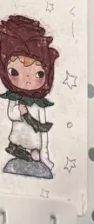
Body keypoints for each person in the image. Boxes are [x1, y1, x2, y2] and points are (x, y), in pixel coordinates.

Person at [0, 14, 59, 179]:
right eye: (15, 72)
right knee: (19, 143)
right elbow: (11, 114)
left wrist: (44, 152)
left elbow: (42, 125)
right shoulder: (16, 98)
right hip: (19, 134)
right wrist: (20, 112)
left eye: (38, 74)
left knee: (35, 151)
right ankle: (18, 151)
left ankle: (33, 154)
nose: (27, 79)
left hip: (35, 139)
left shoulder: (39, 103)